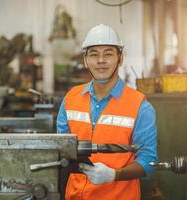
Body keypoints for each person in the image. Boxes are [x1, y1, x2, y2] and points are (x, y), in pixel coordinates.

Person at [57, 24, 157, 200]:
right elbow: (61, 150)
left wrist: (114, 175)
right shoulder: (70, 99)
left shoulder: (140, 105)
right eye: (94, 54)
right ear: (85, 59)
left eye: (108, 54)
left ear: (120, 58)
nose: (101, 60)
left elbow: (148, 161)